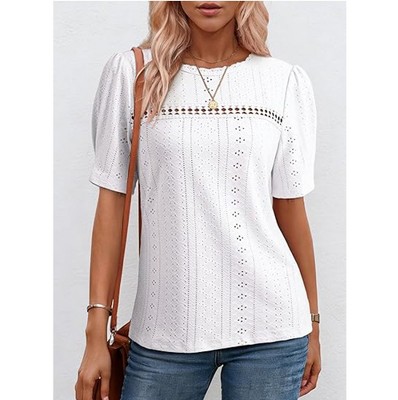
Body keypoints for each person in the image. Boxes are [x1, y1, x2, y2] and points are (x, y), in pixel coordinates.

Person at [75, 1, 322, 399]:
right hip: (164, 331)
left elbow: (291, 210)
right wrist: (94, 332)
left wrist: (313, 323)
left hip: (274, 328)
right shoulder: (133, 73)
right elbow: (112, 204)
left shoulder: (283, 81)